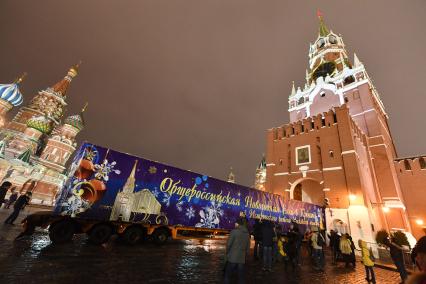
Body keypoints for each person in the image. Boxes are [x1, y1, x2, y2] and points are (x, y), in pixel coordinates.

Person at [224, 217, 250, 284]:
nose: (234, 224)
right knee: (241, 277)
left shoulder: (234, 231)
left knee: (227, 276)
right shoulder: (247, 233)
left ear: (237, 224)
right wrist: (246, 255)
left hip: (232, 257)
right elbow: (248, 247)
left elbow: (229, 244)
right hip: (241, 258)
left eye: (235, 223)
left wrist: (227, 253)